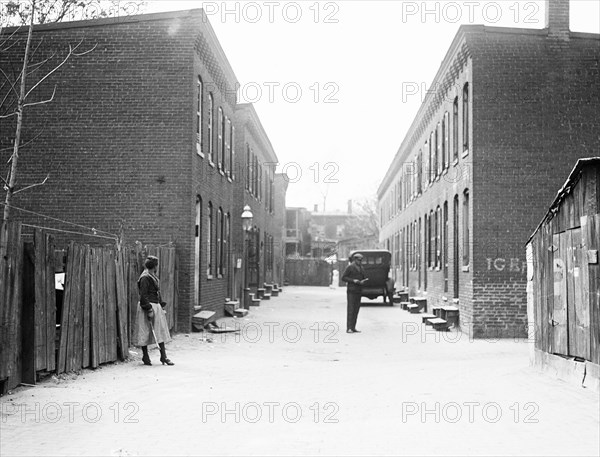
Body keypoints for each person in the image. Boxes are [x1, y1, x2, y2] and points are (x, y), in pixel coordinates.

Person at [135, 255, 174, 366]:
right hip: (148, 306)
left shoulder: (152, 276)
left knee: (159, 331)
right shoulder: (145, 277)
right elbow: (143, 295)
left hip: (155, 306)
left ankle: (163, 356)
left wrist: (161, 306)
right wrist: (148, 309)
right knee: (145, 331)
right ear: (155, 266)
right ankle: (145, 356)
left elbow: (157, 292)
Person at [342, 253, 368, 333]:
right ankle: (349, 328)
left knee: (356, 309)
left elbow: (364, 277)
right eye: (358, 260)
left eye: (361, 260)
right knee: (351, 309)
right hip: (351, 290)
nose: (360, 262)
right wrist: (353, 280)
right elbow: (343, 277)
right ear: (355, 260)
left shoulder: (361, 268)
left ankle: (353, 327)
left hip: (358, 290)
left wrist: (364, 281)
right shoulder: (350, 267)